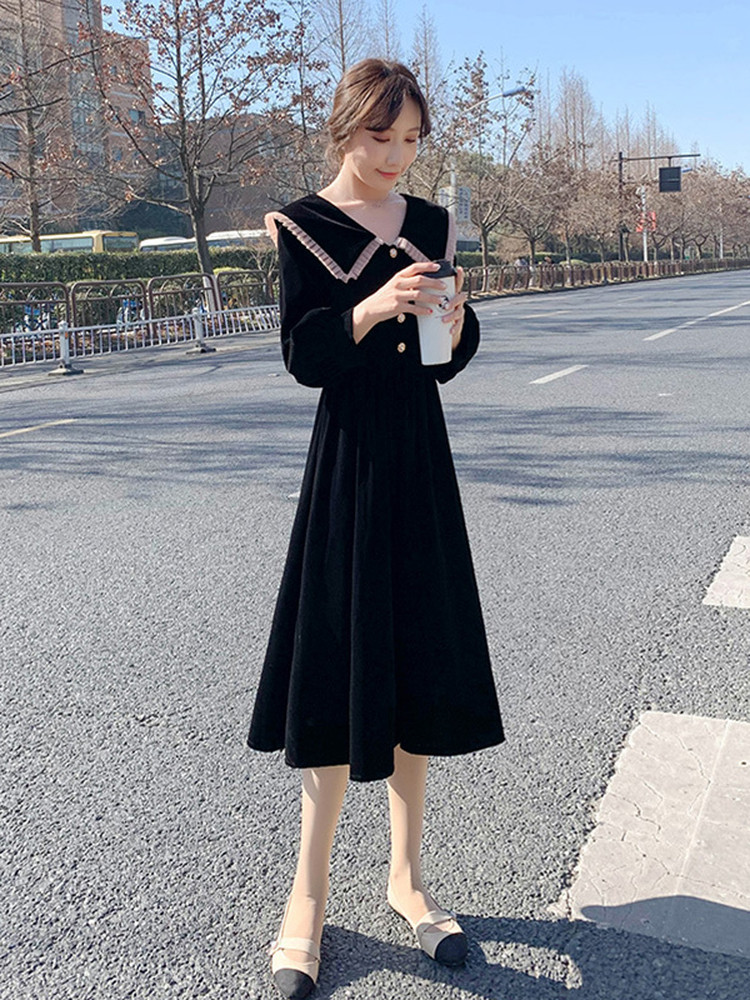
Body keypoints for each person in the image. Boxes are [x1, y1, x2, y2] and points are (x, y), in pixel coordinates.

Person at [247, 58, 504, 999]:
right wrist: (369, 307)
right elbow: (302, 355)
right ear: (344, 128)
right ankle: (306, 898)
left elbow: (442, 363)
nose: (396, 156)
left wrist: (458, 323)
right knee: (336, 662)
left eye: (409, 140)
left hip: (419, 461)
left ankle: (407, 878)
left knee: (416, 659)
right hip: (348, 461)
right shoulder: (303, 225)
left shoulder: (430, 222)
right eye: (379, 136)